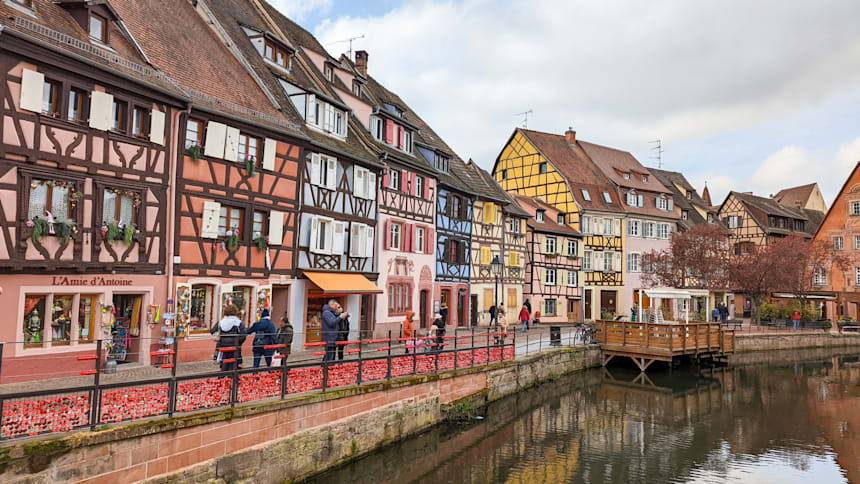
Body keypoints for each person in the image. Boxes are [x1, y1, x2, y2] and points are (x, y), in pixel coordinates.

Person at [211, 304, 244, 371]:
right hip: (235, 347)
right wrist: (238, 342)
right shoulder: (238, 322)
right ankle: (233, 378)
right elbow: (243, 335)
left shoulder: (221, 322)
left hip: (223, 346)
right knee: (234, 365)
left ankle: (221, 378)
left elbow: (212, 331)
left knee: (224, 363)